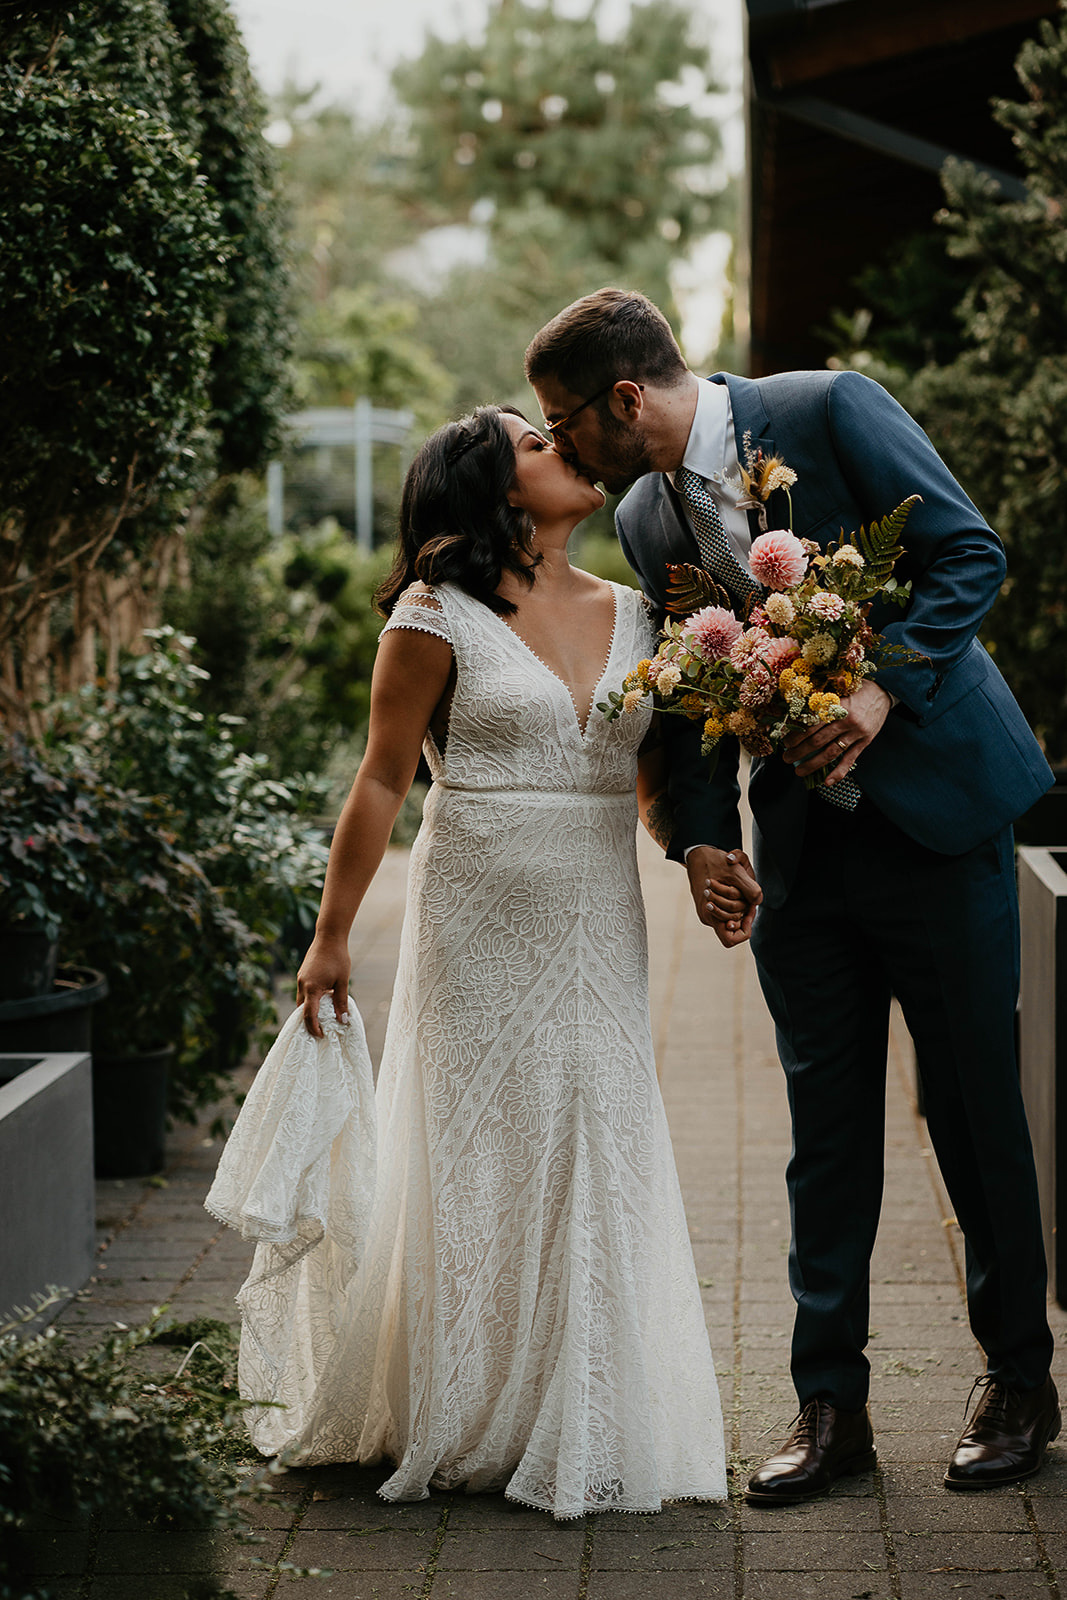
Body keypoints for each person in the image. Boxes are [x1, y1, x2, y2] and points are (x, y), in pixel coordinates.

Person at [525, 287, 1059, 1504]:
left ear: (624, 398)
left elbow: (967, 552)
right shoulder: (643, 508)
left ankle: (1017, 1378)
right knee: (821, 1139)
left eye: (563, 423)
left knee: (977, 1113)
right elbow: (691, 684)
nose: (555, 448)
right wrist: (700, 844)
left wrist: (880, 689)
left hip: (938, 827)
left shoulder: (827, 409)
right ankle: (830, 1408)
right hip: (804, 859)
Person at [214, 403, 726, 1520]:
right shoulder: (431, 615)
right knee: (480, 1142)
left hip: (596, 915)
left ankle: (580, 1407)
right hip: (475, 911)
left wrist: (698, 856)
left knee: (595, 1129)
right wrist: (330, 932)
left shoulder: (641, 612)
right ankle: (460, 1401)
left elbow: (644, 785)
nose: (562, 447)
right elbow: (380, 781)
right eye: (533, 444)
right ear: (494, 489)